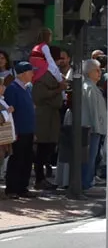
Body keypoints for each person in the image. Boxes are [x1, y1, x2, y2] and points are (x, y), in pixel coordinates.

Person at [31, 47, 63, 190]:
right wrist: (58, 89)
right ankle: (39, 178)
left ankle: (42, 177)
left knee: (48, 147)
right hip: (44, 117)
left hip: (51, 117)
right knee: (42, 149)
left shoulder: (54, 74)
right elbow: (39, 95)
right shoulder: (43, 75)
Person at [3, 63, 36, 198]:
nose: (33, 74)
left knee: (27, 160)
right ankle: (12, 188)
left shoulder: (27, 88)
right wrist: (13, 131)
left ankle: (23, 187)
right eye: (30, 71)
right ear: (23, 73)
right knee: (17, 159)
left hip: (28, 131)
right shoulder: (12, 89)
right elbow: (10, 112)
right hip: (18, 131)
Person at [80, 59, 108, 190]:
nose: (100, 72)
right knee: (89, 158)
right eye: (96, 70)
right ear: (89, 72)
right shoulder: (89, 87)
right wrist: (97, 128)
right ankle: (85, 183)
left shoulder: (92, 87)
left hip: (95, 128)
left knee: (92, 157)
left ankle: (87, 181)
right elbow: (93, 111)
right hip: (92, 129)